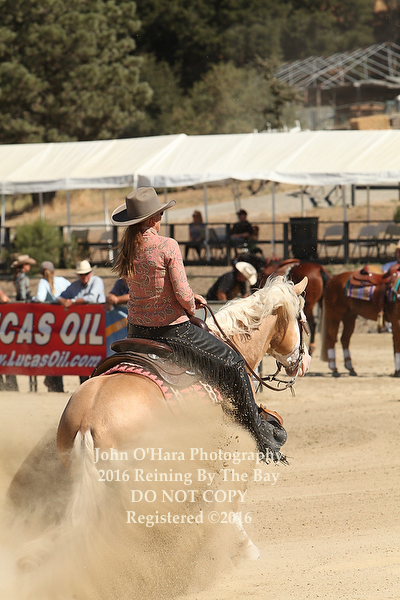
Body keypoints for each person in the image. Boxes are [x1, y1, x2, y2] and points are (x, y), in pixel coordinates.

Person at [111, 186, 284, 461]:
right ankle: (259, 438)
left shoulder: (127, 249)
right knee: (234, 363)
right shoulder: (167, 245)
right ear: (153, 219)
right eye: (159, 215)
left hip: (136, 331)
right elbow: (182, 294)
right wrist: (193, 302)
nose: (160, 219)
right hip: (171, 331)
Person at [58, 260, 105, 384]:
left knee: (97, 354)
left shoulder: (97, 281)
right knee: (82, 353)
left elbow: (92, 298)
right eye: (81, 274)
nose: (84, 276)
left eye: (86, 274)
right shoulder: (75, 285)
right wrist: (64, 301)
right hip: (82, 327)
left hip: (97, 326)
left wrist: (72, 302)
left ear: (90, 273)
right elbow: (60, 297)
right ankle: (84, 383)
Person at [33, 261, 71, 393]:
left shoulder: (43, 282)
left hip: (51, 324)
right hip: (66, 323)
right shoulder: (63, 281)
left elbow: (40, 298)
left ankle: (53, 382)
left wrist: (32, 299)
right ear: (53, 271)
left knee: (51, 352)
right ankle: (55, 384)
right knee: (61, 351)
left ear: (40, 272)